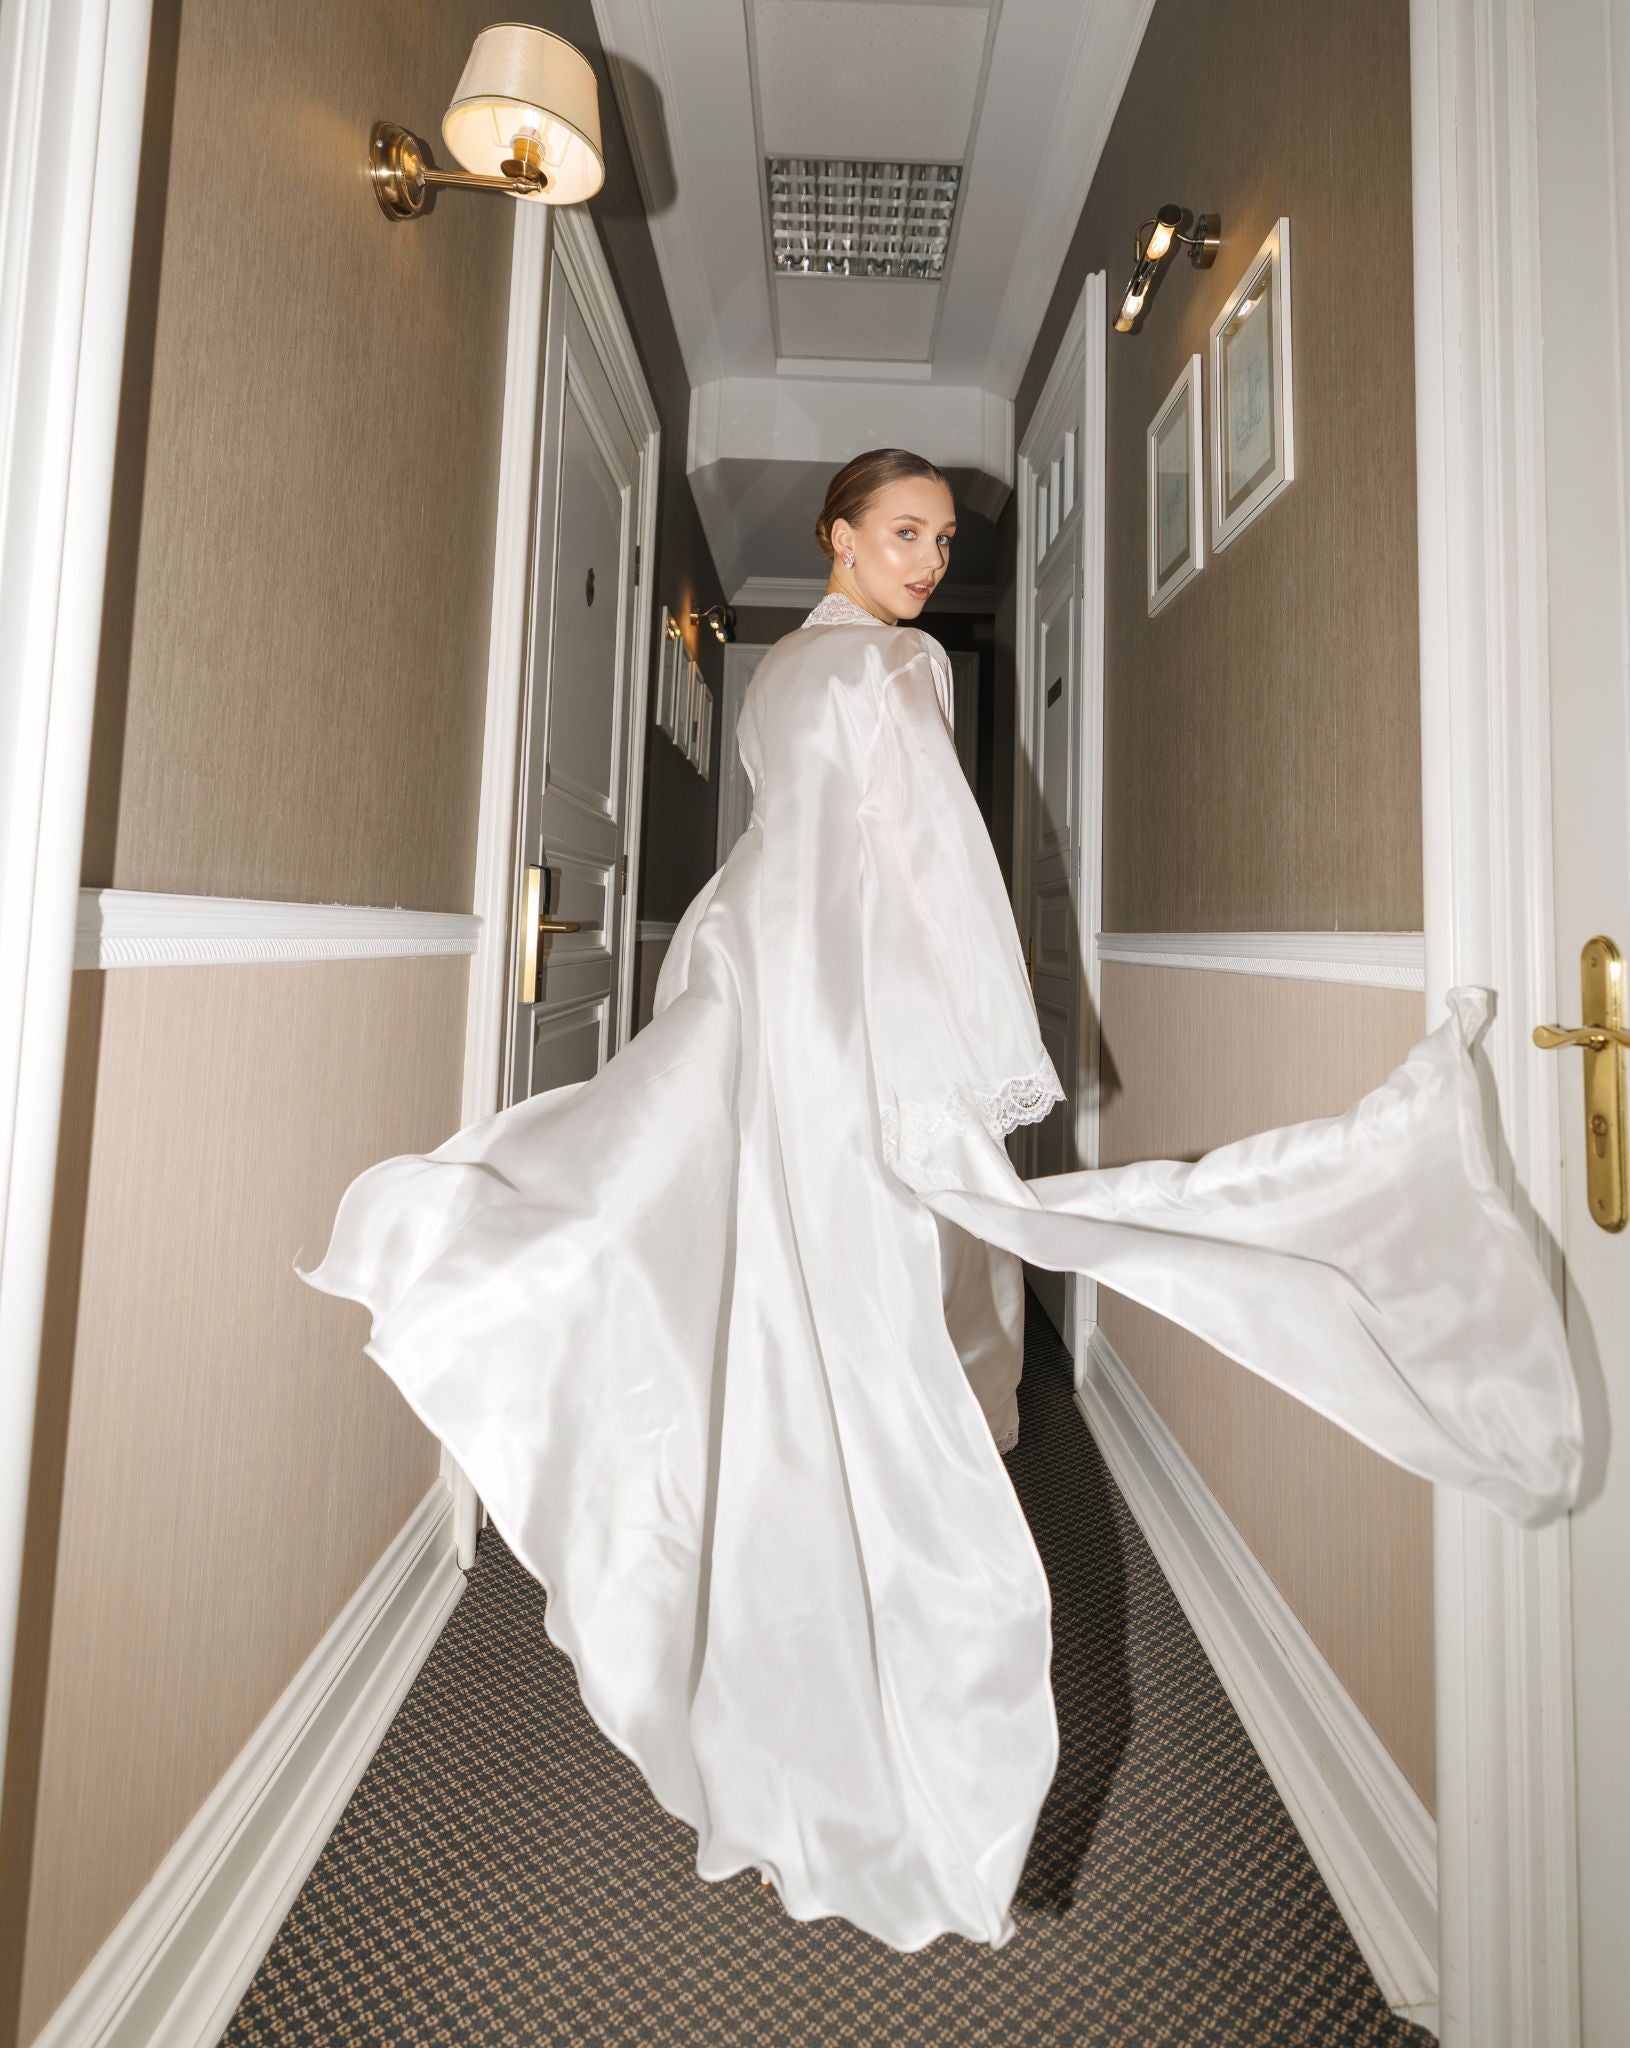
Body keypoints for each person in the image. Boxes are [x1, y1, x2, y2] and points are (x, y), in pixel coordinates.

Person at [296, 448, 1582, 1954]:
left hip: (752, 982)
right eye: (901, 532)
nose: (925, 559)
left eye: (941, 538)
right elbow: (936, 877)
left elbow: (825, 854)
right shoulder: (894, 667)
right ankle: (838, 1672)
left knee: (747, 1291)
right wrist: (978, 1064)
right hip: (829, 1008)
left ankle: (757, 1621)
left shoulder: (782, 664)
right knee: (830, 1319)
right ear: (838, 536)